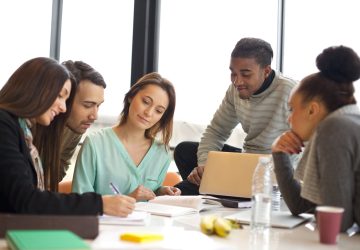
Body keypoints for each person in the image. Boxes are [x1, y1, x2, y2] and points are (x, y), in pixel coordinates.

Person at [0, 57, 135, 216]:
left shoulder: (23, 129)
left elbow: (33, 194)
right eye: (59, 96)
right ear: (36, 90)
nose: (63, 107)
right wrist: (99, 203)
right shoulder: (5, 125)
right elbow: (26, 199)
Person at [174, 37, 298, 195]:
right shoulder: (235, 91)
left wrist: (282, 178)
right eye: (233, 73)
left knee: (182, 191)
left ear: (266, 71)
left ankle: (209, 192)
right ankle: (208, 192)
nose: (237, 81)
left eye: (246, 74)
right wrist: (205, 166)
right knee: (184, 151)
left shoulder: (291, 92)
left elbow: (306, 145)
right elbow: (216, 131)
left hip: (274, 171)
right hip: (246, 162)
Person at [272, 45, 360, 232]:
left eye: (292, 109)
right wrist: (279, 153)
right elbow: (301, 205)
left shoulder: (335, 128)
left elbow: (337, 222)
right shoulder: (347, 122)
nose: (289, 118)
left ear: (312, 110)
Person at [72, 72, 181, 201]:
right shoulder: (95, 143)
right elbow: (80, 204)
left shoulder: (162, 153)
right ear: (131, 96)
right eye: (145, 102)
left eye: (159, 111)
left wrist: (160, 192)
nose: (148, 112)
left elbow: (151, 194)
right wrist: (129, 198)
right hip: (104, 221)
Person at [59, 60, 106, 181]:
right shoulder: (23, 127)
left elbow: (61, 165)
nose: (94, 116)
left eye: (98, 106)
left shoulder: (75, 127)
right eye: (88, 105)